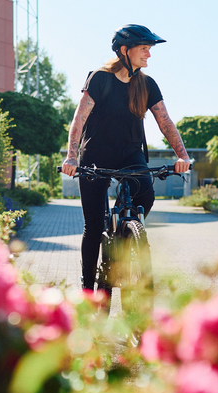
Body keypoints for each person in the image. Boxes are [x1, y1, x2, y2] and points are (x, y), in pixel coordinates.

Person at [60, 25, 191, 292]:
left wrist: (182, 155)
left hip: (130, 154)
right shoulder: (100, 78)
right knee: (94, 227)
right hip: (95, 155)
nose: (149, 55)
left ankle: (127, 234)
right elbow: (79, 119)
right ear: (124, 50)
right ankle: (89, 292)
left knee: (146, 195)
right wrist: (72, 157)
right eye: (144, 49)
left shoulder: (147, 84)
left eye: (149, 49)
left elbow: (164, 121)